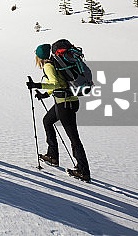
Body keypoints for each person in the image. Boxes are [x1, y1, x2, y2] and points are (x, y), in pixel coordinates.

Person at [26, 43, 91, 182]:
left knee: (73, 137)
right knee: (47, 121)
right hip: (69, 101)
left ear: (39, 56)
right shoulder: (55, 64)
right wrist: (45, 94)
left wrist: (36, 85)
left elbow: (55, 83)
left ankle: (83, 171)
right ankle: (52, 156)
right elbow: (60, 83)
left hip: (64, 104)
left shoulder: (49, 66)